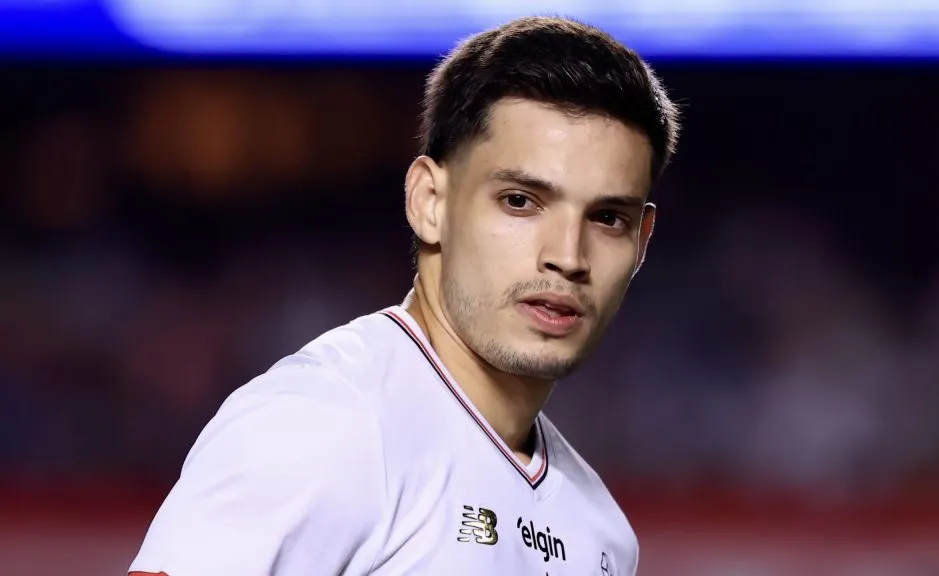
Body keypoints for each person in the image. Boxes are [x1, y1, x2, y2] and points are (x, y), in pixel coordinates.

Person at [128, 15, 679, 576]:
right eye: (520, 201)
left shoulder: (601, 533)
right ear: (429, 202)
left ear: (641, 242)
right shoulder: (325, 425)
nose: (568, 255)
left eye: (608, 218)